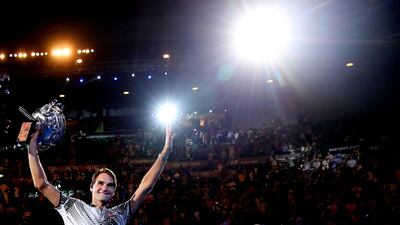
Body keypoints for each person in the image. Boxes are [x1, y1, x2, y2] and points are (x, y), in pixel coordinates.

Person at [28, 125, 173, 224]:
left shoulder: (121, 213)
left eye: (110, 185)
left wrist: (165, 151)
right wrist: (32, 146)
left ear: (114, 192)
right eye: (101, 183)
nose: (105, 187)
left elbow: (145, 186)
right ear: (91, 186)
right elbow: (41, 183)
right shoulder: (72, 206)